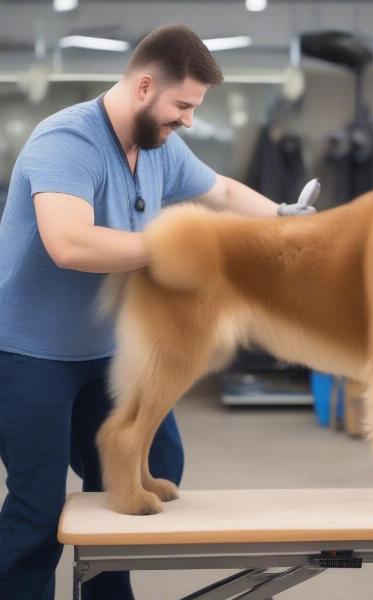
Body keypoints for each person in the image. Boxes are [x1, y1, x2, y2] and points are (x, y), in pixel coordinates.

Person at [0, 24, 315, 600]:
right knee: (37, 504)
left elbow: (217, 191)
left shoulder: (157, 145)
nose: (188, 120)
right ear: (145, 86)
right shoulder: (66, 141)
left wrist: (282, 218)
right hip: (30, 353)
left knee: (150, 465)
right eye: (183, 106)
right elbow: (69, 245)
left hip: (106, 349)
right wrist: (178, 248)